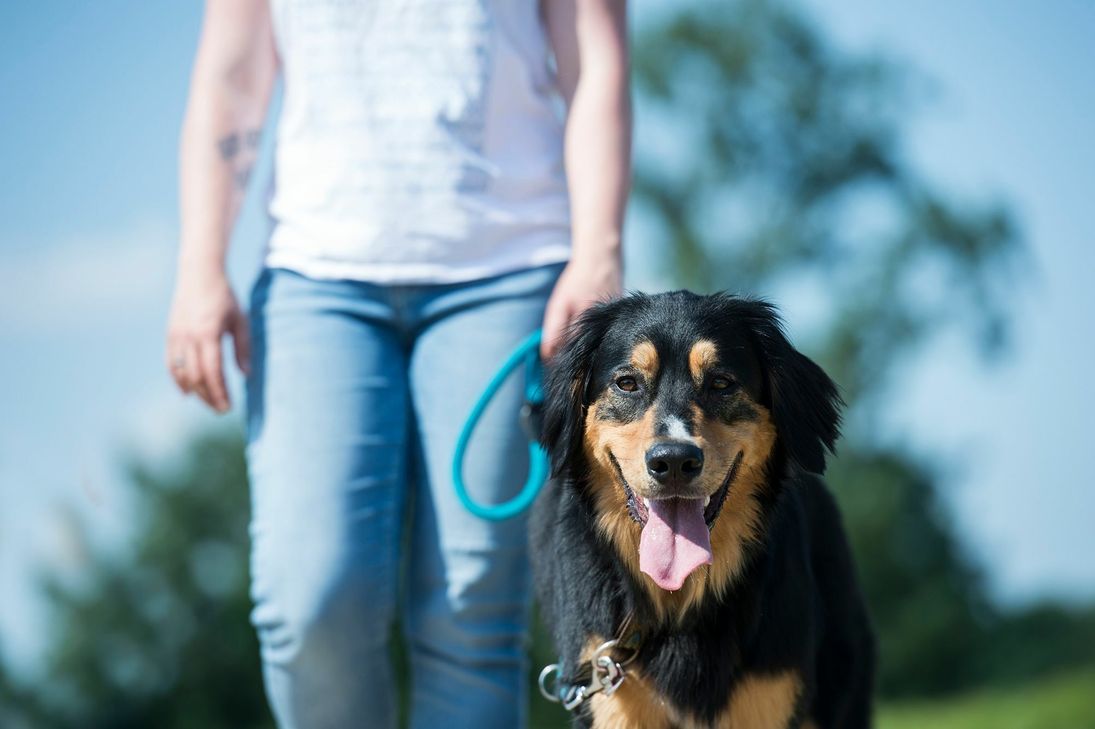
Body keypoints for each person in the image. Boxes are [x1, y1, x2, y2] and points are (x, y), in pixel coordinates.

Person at [164, 1, 630, 727]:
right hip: (316, 274)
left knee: (470, 610)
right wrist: (200, 264)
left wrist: (598, 250)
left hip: (510, 268)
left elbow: (595, 58)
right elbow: (230, 75)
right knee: (309, 600)